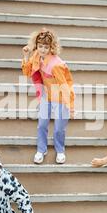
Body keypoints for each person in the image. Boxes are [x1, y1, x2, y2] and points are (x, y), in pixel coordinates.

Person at [22, 28, 75, 164]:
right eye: (40, 46)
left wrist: (70, 106)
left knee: (58, 127)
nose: (43, 50)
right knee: (42, 124)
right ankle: (41, 149)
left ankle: (60, 150)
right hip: (46, 93)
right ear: (36, 46)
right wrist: (26, 56)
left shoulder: (56, 65)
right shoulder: (36, 56)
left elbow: (64, 85)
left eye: (46, 47)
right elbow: (27, 72)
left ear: (51, 47)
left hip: (60, 95)